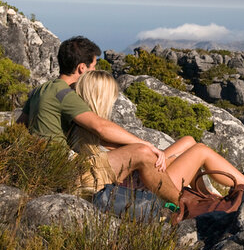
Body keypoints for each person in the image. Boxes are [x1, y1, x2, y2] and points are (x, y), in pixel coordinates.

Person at [17, 36, 182, 203]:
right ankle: (182, 206)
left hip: (46, 166)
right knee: (142, 153)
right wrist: (146, 144)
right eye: (93, 68)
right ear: (82, 68)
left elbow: (20, 126)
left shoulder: (40, 90)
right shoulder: (65, 93)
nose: (94, 72)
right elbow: (100, 127)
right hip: (71, 171)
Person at [70, 70, 244, 197]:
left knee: (188, 141)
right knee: (201, 151)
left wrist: (163, 156)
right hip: (147, 187)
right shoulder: (96, 132)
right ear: (101, 98)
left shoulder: (85, 127)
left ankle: (205, 194)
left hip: (146, 175)